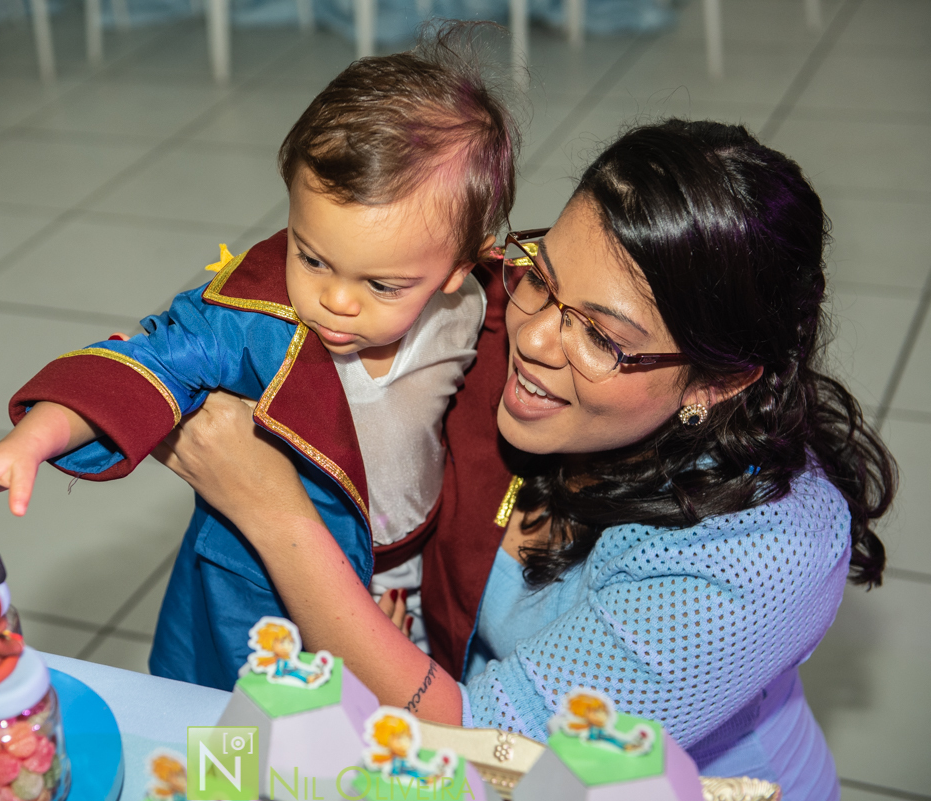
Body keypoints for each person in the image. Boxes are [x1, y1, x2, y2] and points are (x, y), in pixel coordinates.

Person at [149, 119, 896, 801]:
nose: (531, 339)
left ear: (716, 381)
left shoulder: (761, 551)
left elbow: (488, 751)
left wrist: (273, 513)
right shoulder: (489, 322)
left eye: (603, 338)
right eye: (541, 274)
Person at [0, 27, 520, 690]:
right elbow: (151, 360)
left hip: (411, 568)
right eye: (311, 257)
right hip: (267, 579)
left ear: (458, 267)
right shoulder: (257, 317)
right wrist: (31, 438)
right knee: (248, 718)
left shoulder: (477, 310)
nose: (335, 300)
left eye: (381, 285)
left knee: (384, 738)